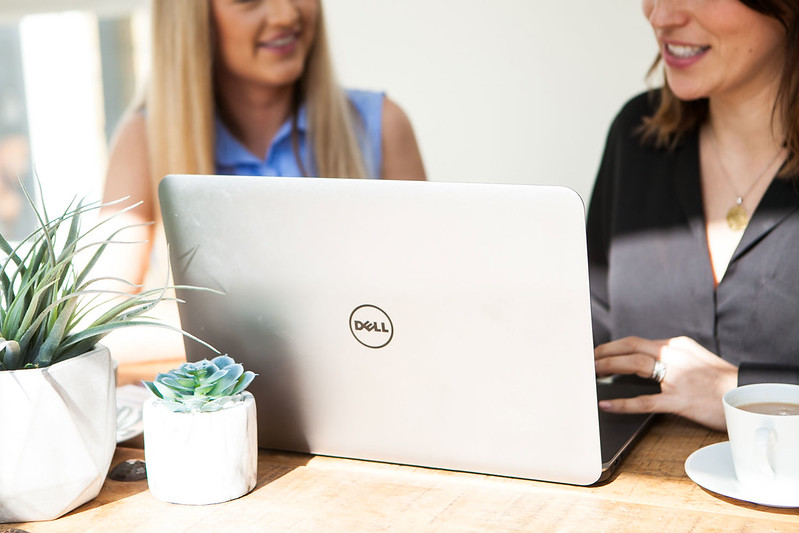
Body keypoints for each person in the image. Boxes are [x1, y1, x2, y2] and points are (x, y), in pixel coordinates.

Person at [100, 0, 426, 363]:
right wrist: (286, 321)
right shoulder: (143, 141)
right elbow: (98, 331)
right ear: (192, 17)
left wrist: (221, 326)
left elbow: (432, 307)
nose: (286, 14)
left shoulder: (382, 127)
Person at [588, 0, 799, 431]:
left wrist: (736, 391)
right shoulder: (636, 135)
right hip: (626, 495)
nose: (661, 16)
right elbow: (583, 330)